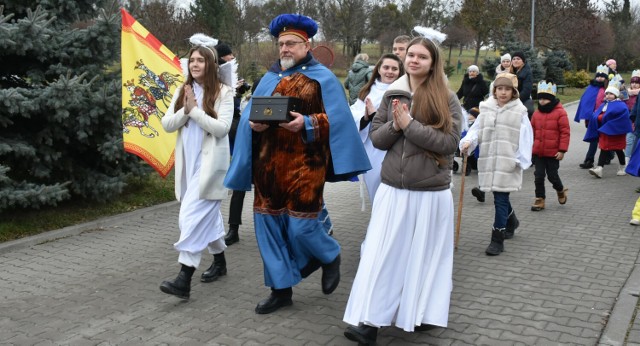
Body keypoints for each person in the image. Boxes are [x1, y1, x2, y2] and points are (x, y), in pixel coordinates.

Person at [224, 14, 371, 315]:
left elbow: (340, 122)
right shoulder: (269, 78)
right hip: (268, 168)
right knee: (270, 229)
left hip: (305, 165)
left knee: (302, 228)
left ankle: (329, 255)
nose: (285, 49)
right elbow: (252, 116)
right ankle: (280, 291)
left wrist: (306, 122)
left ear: (308, 45)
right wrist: (253, 127)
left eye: (291, 43)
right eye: (281, 44)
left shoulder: (322, 78)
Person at [343, 31, 462, 344]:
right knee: (382, 255)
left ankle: (420, 313)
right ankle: (370, 323)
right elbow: (379, 139)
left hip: (431, 194)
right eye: (411, 55)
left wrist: (411, 126)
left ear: (433, 63)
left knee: (423, 258)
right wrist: (396, 124)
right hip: (394, 189)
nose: (414, 60)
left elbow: (450, 143)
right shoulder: (392, 94)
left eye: (422, 56)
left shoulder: (447, 98)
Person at [159, 34, 235, 299]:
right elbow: (167, 124)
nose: (195, 64)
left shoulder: (224, 93)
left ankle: (184, 278)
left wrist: (196, 112)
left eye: (200, 60)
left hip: (211, 167)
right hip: (188, 167)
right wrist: (185, 109)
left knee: (189, 217)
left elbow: (222, 128)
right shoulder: (183, 90)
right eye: (192, 60)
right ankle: (221, 262)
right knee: (208, 218)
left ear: (211, 64)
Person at [460, 73, 533, 255]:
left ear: (513, 91)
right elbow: (477, 129)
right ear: (494, 90)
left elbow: (526, 138)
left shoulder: (519, 112)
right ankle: (512, 221)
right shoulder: (486, 109)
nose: (503, 92)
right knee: (499, 197)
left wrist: (519, 159)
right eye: (500, 88)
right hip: (489, 160)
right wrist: (468, 142)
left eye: (507, 89)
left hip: (508, 161)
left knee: (500, 199)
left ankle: (497, 239)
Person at [210, 42, 250, 248]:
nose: (232, 61)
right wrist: (231, 91)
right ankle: (230, 228)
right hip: (225, 130)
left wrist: (239, 91)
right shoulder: (211, 79)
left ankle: (233, 228)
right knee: (235, 177)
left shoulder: (230, 74)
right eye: (229, 58)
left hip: (237, 126)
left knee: (240, 174)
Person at [351, 53, 404, 201]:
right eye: (386, 67)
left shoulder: (404, 91)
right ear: (378, 69)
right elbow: (354, 113)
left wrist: (376, 115)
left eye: (394, 69)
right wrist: (366, 117)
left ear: (400, 72)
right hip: (372, 147)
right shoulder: (367, 90)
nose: (390, 71)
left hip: (394, 148)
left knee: (390, 193)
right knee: (375, 189)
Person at [529, 81, 570, 212]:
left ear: (551, 99)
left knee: (552, 176)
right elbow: (531, 132)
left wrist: (562, 150)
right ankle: (540, 199)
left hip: (553, 153)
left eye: (545, 99)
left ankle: (560, 190)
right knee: (538, 176)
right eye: (540, 98)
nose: (542, 101)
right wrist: (530, 148)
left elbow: (565, 132)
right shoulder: (536, 114)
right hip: (539, 152)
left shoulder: (560, 113)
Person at [586, 82, 632, 178]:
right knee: (604, 148)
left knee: (618, 149)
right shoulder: (604, 104)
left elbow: (623, 118)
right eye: (607, 93)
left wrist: (603, 118)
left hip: (616, 132)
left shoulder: (621, 105)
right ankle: (599, 168)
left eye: (611, 94)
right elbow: (598, 115)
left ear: (615, 95)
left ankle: (622, 167)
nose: (608, 95)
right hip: (605, 131)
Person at [575, 65, 609, 169]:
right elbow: (585, 102)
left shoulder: (607, 89)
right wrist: (587, 117)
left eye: (602, 76)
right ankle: (589, 160)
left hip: (604, 117)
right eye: (598, 76)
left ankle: (609, 154)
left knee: (606, 138)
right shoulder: (591, 88)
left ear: (606, 78)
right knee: (594, 139)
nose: (599, 78)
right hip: (593, 118)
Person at [511, 51, 534, 119]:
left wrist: (515, 100)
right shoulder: (512, 71)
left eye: (518, 59)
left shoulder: (527, 72)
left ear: (523, 61)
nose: (515, 61)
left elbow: (526, 91)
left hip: (522, 100)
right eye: (514, 59)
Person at [624, 70, 640, 157]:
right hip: (628, 118)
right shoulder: (627, 93)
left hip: (636, 119)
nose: (634, 84)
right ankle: (627, 160)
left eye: (637, 82)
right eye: (633, 82)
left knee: (632, 140)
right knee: (628, 140)